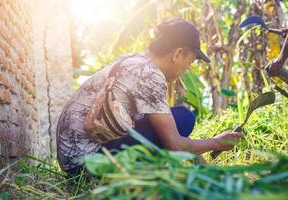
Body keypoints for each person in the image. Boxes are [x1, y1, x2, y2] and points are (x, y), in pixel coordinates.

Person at [56, 17, 243, 176]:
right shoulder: (149, 74)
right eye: (191, 61)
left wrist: (202, 164)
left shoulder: (133, 60)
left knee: (170, 119)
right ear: (178, 54)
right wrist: (217, 142)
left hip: (74, 159)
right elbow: (174, 144)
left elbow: (154, 125)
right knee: (183, 118)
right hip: (87, 166)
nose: (188, 68)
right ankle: (138, 176)